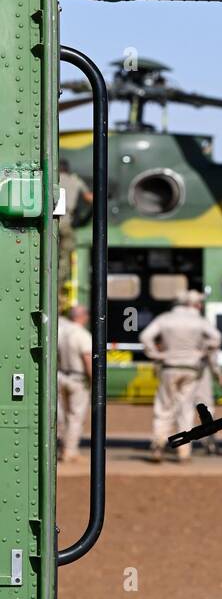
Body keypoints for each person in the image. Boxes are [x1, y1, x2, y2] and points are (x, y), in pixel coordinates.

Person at [139, 289, 221, 463]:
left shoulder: (165, 318)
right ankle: (184, 451)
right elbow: (216, 338)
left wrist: (156, 354)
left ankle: (158, 444)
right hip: (191, 368)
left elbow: (145, 336)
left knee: (164, 406)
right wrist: (201, 352)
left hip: (169, 366)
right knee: (185, 408)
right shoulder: (199, 321)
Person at [57, 304, 92, 464]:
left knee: (62, 415)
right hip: (78, 379)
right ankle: (69, 451)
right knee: (75, 417)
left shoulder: (61, 332)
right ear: (82, 316)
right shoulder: (82, 334)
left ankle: (60, 447)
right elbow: (87, 359)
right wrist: (94, 380)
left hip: (61, 375)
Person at [57, 159, 92, 300]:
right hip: (66, 222)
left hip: (49, 221)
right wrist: (83, 218)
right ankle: (58, 287)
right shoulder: (75, 180)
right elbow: (90, 198)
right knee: (64, 258)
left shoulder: (51, 177)